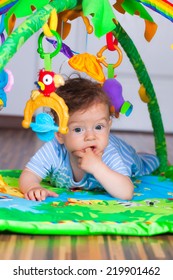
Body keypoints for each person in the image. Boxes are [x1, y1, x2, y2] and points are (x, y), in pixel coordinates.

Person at [19, 76, 160, 201]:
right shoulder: (55, 149)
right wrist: (33, 187)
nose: (91, 137)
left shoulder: (109, 153)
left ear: (108, 126)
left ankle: (146, 157)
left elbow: (126, 192)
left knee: (147, 164)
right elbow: (29, 173)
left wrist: (98, 167)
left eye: (99, 127)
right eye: (78, 129)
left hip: (128, 156)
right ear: (60, 135)